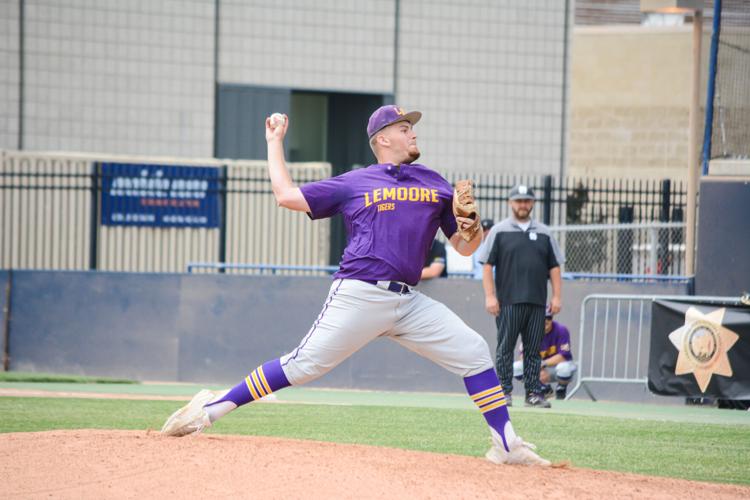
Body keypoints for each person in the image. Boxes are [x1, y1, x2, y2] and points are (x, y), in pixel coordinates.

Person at [160, 105, 551, 466]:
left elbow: (466, 247)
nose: (412, 133)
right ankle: (210, 411)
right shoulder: (355, 182)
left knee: (473, 351)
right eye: (404, 128)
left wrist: (472, 225)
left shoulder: (435, 183)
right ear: (383, 139)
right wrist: (273, 142)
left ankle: (505, 443)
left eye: (411, 127)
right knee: (303, 366)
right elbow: (286, 196)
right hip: (360, 292)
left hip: (409, 301)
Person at [479, 184, 564, 409]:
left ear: (532, 203)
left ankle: (534, 393)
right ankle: (504, 392)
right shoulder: (499, 231)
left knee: (533, 350)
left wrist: (556, 297)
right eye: (519, 201)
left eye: (527, 200)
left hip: (537, 302)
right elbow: (487, 265)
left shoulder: (545, 233)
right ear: (511, 203)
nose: (523, 205)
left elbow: (554, 267)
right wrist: (490, 296)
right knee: (505, 348)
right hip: (507, 302)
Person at [513, 308, 577, 400]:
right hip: (538, 369)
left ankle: (561, 389)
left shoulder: (561, 330)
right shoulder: (529, 331)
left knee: (564, 368)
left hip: (556, 368)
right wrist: (536, 370)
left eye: (549, 317)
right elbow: (523, 356)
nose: (546, 320)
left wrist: (542, 364)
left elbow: (563, 356)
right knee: (516, 367)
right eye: (542, 318)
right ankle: (542, 388)